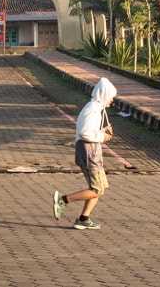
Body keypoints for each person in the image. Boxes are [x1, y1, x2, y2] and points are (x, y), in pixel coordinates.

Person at [53, 77, 117, 230]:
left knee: (98, 188)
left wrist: (101, 131)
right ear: (105, 95)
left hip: (91, 151)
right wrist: (102, 137)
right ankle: (63, 200)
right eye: (111, 97)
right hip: (89, 152)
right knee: (97, 189)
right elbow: (84, 133)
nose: (112, 101)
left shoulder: (94, 108)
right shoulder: (93, 110)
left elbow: (89, 131)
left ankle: (83, 218)